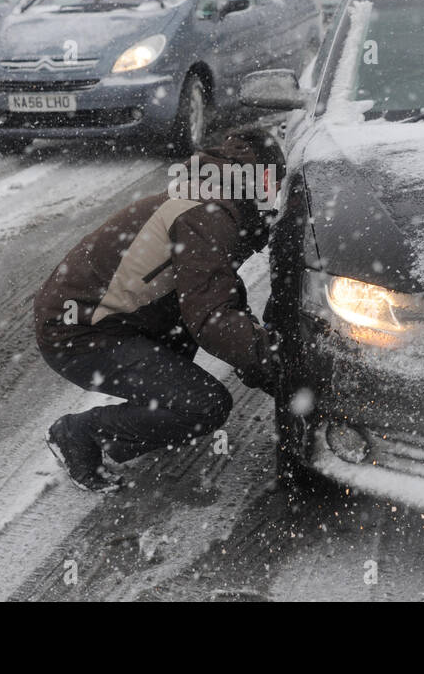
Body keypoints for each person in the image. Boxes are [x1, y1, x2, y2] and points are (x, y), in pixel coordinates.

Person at [35, 130, 286, 492]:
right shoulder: (208, 213)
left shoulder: (210, 198)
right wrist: (281, 364)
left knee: (189, 357)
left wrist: (266, 370)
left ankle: (153, 413)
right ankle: (78, 434)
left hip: (117, 318)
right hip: (78, 331)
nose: (277, 199)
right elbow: (214, 320)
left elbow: (219, 293)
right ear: (262, 178)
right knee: (204, 405)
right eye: (276, 184)